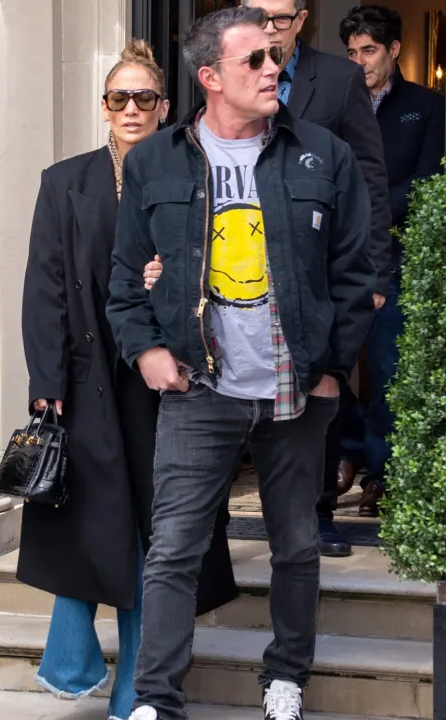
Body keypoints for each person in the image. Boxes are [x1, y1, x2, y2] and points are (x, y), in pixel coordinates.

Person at [106, 7, 375, 720]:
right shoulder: (157, 161)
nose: (272, 69)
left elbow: (355, 273)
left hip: (295, 389)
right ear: (210, 77)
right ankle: (156, 700)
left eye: (274, 55)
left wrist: (331, 365)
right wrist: (147, 351)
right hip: (199, 387)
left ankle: (286, 677)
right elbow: (125, 279)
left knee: (296, 545)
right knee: (173, 549)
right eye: (253, 59)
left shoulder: (322, 154)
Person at [17, 39, 238, 720]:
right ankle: (75, 661)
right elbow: (45, 288)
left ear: (165, 107)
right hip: (89, 382)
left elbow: (230, 267)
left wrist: (173, 276)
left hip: (167, 377)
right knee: (86, 520)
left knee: (158, 529)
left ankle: (138, 688)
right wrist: (47, 380)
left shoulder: (197, 173)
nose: (132, 109)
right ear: (104, 106)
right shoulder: (65, 181)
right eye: (120, 98)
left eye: (145, 97)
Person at [335, 4, 446, 516]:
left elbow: (426, 184)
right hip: (338, 256)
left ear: (394, 50)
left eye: (370, 50)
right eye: (352, 52)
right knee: (327, 364)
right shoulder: (336, 105)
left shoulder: (425, 106)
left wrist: (365, 209)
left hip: (396, 258)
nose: (360, 61)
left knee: (387, 369)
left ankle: (381, 473)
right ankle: (347, 450)